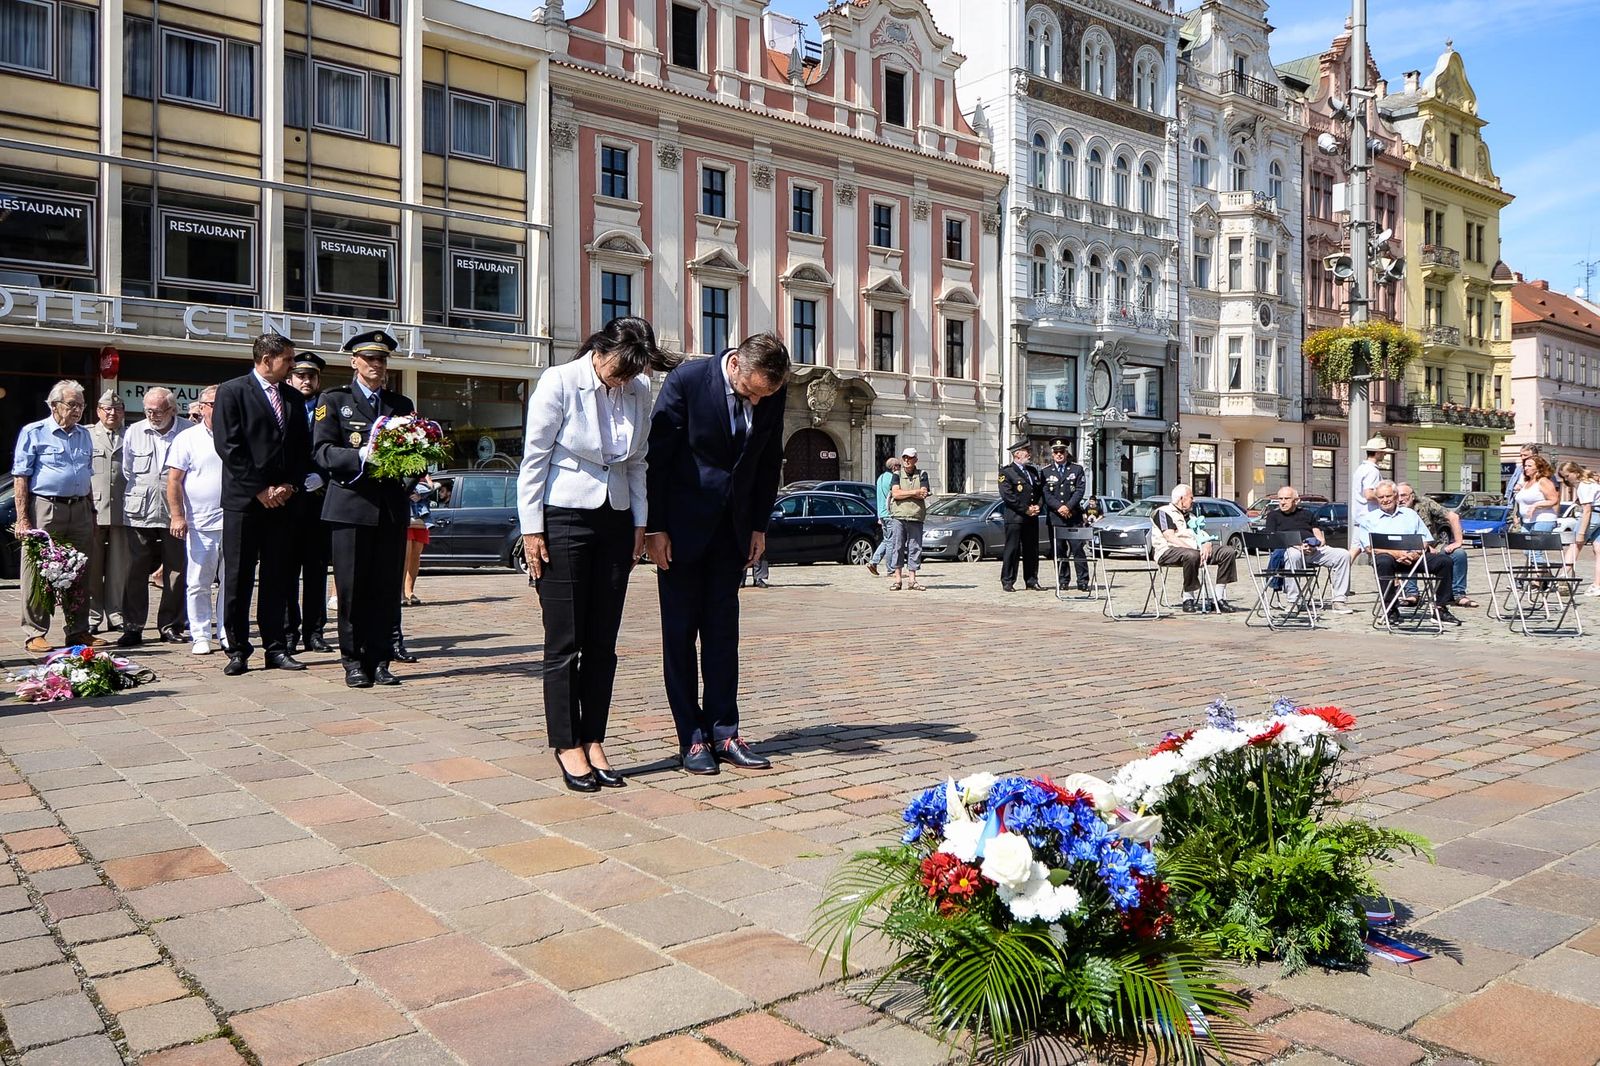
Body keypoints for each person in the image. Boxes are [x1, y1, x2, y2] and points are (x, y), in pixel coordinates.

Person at [520, 317, 676, 791]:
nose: (623, 381)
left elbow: (638, 461)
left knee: (603, 642)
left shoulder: (639, 388)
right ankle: (566, 743)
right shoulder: (559, 381)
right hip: (563, 516)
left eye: (632, 374)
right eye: (618, 371)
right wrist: (532, 530)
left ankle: (594, 738)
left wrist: (640, 523)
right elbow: (534, 459)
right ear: (600, 351)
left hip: (616, 518)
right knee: (565, 639)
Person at [645, 332, 789, 775]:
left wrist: (759, 525)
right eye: (751, 392)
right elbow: (657, 458)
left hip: (733, 533)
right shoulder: (687, 381)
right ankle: (691, 738)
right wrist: (655, 527)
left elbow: (768, 462)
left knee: (724, 637)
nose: (758, 401)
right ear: (736, 365)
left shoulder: (771, 391)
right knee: (680, 637)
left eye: (766, 395)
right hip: (681, 532)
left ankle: (725, 733)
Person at [313, 329, 415, 689]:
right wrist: (359, 455)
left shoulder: (399, 405)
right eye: (370, 358)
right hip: (351, 507)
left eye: (382, 359)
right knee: (353, 589)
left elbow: (416, 455)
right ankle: (354, 661)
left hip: (389, 508)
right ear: (354, 362)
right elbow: (322, 451)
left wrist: (406, 482)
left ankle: (381, 660)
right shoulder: (334, 399)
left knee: (386, 589)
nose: (377, 365)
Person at [213, 333, 313, 675]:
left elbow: (301, 448)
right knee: (238, 577)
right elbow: (229, 446)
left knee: (278, 576)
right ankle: (238, 649)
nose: (293, 366)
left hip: (283, 502)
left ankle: (276, 647)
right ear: (267, 359)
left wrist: (289, 485)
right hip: (244, 501)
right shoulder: (232, 391)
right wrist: (259, 489)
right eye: (288, 359)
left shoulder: (292, 396)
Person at [13, 380, 98, 654]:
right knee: (39, 569)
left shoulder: (84, 435)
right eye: (72, 404)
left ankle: (78, 630)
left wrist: (92, 511)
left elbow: (86, 475)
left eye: (81, 405)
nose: (77, 410)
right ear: (54, 405)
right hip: (47, 507)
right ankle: (35, 632)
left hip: (80, 508)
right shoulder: (34, 432)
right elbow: (21, 477)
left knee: (80, 569)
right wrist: (23, 519)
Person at [118, 387, 187, 647]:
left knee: (176, 570)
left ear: (172, 409)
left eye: (158, 411)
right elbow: (127, 470)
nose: (152, 416)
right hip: (140, 509)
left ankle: (170, 625)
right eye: (148, 411)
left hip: (176, 510)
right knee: (135, 570)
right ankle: (133, 626)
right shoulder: (134, 431)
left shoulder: (187, 431)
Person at [165, 387, 226, 654]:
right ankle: (200, 634)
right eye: (213, 404)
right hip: (200, 523)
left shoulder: (236, 434)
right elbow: (173, 481)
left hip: (233, 521)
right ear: (201, 407)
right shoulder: (187, 438)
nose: (219, 408)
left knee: (231, 582)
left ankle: (226, 631)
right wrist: (178, 516)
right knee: (199, 581)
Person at [1353, 480, 1461, 625]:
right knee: (1383, 562)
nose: (1385, 500)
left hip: (1413, 557)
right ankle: (1391, 609)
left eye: (1388, 496)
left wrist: (1416, 553)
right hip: (1388, 558)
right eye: (1381, 497)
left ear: (1395, 496)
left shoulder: (1410, 514)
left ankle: (1440, 609)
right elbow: (1369, 548)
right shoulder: (1369, 519)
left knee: (1444, 561)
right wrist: (1397, 554)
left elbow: (1425, 540)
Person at [284, 352, 333, 654]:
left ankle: (315, 632)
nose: (306, 381)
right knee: (287, 572)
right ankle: (289, 631)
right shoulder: (283, 404)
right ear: (290, 378)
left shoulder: (328, 407)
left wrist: (323, 477)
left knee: (316, 572)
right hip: (288, 500)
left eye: (311, 376)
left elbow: (335, 447)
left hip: (318, 502)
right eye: (300, 376)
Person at [1262, 486, 1354, 614]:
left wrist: (1316, 544)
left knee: (1343, 555)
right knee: (1293, 555)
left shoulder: (1307, 514)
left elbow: (1319, 535)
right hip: (1290, 550)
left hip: (1312, 549)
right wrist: (1297, 546)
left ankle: (1339, 601)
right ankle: (1293, 601)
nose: (1282, 502)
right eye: (1280, 499)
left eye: (1286, 499)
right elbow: (1272, 538)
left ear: (1296, 500)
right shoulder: (1273, 516)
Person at [1151, 483, 1239, 612]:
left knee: (1227, 552)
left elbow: (1201, 534)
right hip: (1168, 551)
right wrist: (1195, 550)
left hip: (1194, 550)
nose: (1193, 500)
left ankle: (1218, 598)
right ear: (1181, 498)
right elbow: (1170, 537)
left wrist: (1207, 544)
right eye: (1191, 497)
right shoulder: (1163, 512)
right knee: (1192, 555)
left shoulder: (1191, 516)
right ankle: (1188, 598)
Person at [87, 391, 129, 635]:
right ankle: (92, 615)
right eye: (107, 409)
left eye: (117, 409)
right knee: (92, 566)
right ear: (98, 411)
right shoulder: (87, 435)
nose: (112, 413)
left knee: (118, 567)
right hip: (94, 509)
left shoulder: (131, 435)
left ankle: (116, 613)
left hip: (122, 510)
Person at [1396, 484, 1474, 608]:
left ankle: (1458, 594)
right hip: (1410, 547)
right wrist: (1425, 547)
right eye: (1397, 496)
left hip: (1435, 546)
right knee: (1408, 552)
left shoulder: (1425, 503)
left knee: (1459, 554)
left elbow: (1453, 517)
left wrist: (1458, 542)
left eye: (1403, 495)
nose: (1400, 499)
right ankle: (1412, 594)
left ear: (1412, 496)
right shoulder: (1393, 509)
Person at [1041, 440, 1089, 591]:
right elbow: (1045, 494)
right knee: (1059, 550)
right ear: (1052, 454)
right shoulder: (1045, 472)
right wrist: (1059, 507)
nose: (1059, 455)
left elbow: (1080, 491)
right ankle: (1063, 580)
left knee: (1077, 549)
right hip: (1056, 517)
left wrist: (1068, 507)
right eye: (1056, 452)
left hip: (1073, 516)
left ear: (1066, 453)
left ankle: (1083, 580)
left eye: (1062, 452)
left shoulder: (1076, 469)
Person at [998, 440, 1043, 591]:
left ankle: (1031, 580)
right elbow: (1008, 496)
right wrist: (1025, 509)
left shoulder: (1032, 471)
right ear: (1017, 454)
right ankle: (1008, 580)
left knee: (1032, 550)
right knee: (1013, 549)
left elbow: (1039, 492)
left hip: (1032, 518)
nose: (1029, 454)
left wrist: (1038, 506)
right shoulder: (1007, 472)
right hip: (1016, 518)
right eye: (1026, 451)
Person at [886, 446, 930, 591]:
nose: (906, 460)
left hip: (916, 516)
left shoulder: (922, 474)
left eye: (910, 457)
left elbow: (923, 493)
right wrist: (914, 492)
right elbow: (895, 494)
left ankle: (912, 579)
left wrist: (905, 493)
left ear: (915, 459)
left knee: (915, 548)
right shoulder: (897, 475)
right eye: (904, 457)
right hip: (899, 516)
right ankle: (898, 580)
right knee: (897, 547)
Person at [1557, 462, 1600, 595]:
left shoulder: (1583, 486)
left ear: (1575, 472)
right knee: (1598, 550)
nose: (1566, 479)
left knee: (1574, 545)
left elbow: (1587, 510)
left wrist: (1581, 532)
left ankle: (1563, 576)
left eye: (1567, 476)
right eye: (1564, 477)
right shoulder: (1591, 482)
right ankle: (1597, 585)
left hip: (1593, 516)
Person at [865, 456, 901, 577]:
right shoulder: (893, 478)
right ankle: (891, 569)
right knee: (891, 542)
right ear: (894, 467)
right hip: (890, 514)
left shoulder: (880, 477)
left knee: (887, 540)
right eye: (899, 466)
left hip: (881, 514)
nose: (900, 469)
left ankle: (873, 562)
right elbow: (896, 495)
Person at [402, 473, 435, 606]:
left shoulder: (422, 470)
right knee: (405, 554)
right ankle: (400, 592)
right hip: (406, 514)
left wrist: (421, 493)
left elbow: (432, 485)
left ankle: (409, 591)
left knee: (416, 555)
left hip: (421, 517)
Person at [1513, 452, 1560, 533]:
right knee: (1524, 541)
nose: (1526, 468)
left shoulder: (1543, 481)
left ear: (1538, 468)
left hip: (1543, 520)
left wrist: (1535, 505)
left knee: (1536, 541)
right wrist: (1516, 515)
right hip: (1526, 521)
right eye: (1525, 466)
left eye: (1529, 466)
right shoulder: (1526, 482)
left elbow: (1554, 500)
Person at [1354, 435, 1390, 516]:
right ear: (1377, 453)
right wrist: (1387, 499)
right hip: (1371, 515)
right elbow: (1369, 494)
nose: (1385, 455)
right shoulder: (1372, 470)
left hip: (1360, 515)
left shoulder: (1361, 468)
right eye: (1383, 452)